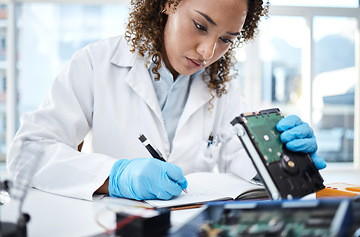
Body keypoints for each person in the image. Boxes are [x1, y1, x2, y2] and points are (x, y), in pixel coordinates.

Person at [7, 0, 326, 201]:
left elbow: (239, 157)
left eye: (226, 40)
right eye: (200, 26)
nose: (208, 52)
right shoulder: (97, 63)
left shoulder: (221, 86)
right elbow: (27, 152)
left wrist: (282, 160)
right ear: (170, 3)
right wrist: (115, 177)